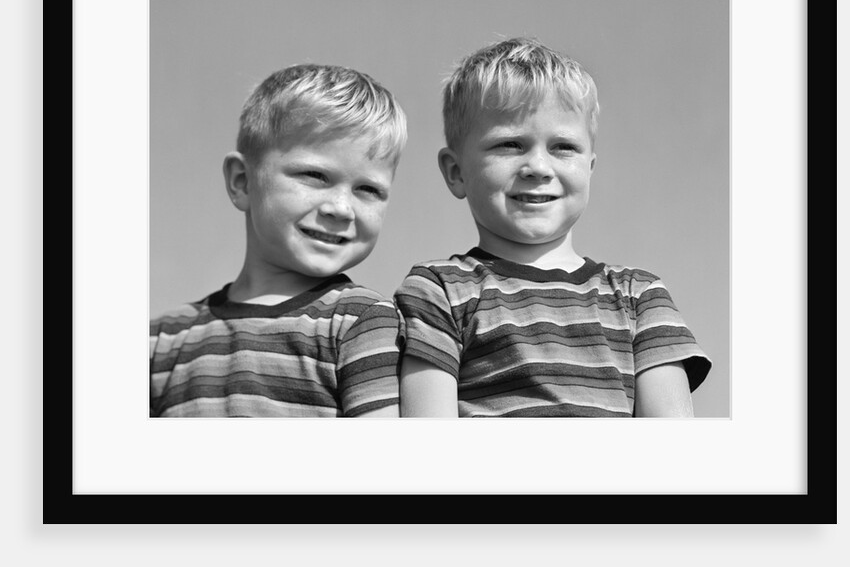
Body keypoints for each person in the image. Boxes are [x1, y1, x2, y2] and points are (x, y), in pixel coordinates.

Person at [395, 37, 711, 417]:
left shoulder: (640, 298)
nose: (538, 168)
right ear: (456, 172)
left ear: (589, 167)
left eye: (563, 147)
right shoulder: (438, 292)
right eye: (510, 144)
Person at [150, 64, 407, 417]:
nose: (342, 208)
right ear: (242, 182)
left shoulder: (361, 323)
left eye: (368, 189)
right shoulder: (162, 341)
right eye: (315, 176)